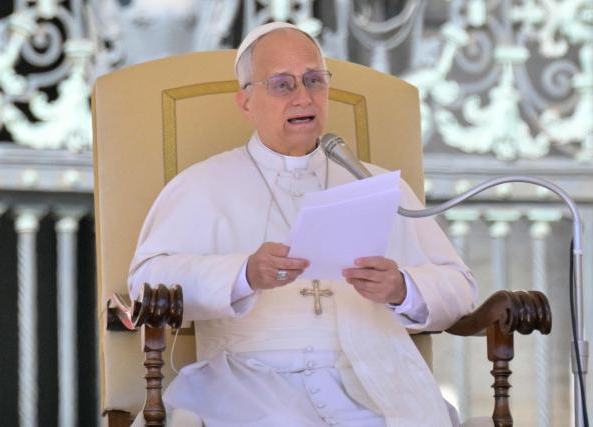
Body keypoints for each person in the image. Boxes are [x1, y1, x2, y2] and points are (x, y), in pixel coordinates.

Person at [128, 22, 477, 427]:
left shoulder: (373, 183)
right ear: (246, 102)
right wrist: (242, 274)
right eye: (282, 84)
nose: (303, 96)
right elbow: (145, 283)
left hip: (373, 377)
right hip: (247, 381)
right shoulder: (201, 185)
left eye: (314, 80)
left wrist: (403, 288)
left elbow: (460, 286)